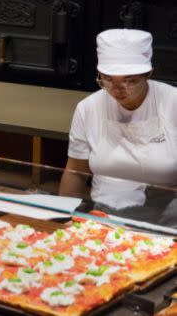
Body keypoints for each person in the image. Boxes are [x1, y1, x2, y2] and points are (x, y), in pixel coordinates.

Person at [59, 29, 177, 211]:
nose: (118, 89)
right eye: (107, 80)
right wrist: (62, 216)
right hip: (103, 222)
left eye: (130, 81)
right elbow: (76, 171)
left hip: (167, 224)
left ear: (149, 74)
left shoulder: (172, 103)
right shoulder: (88, 108)